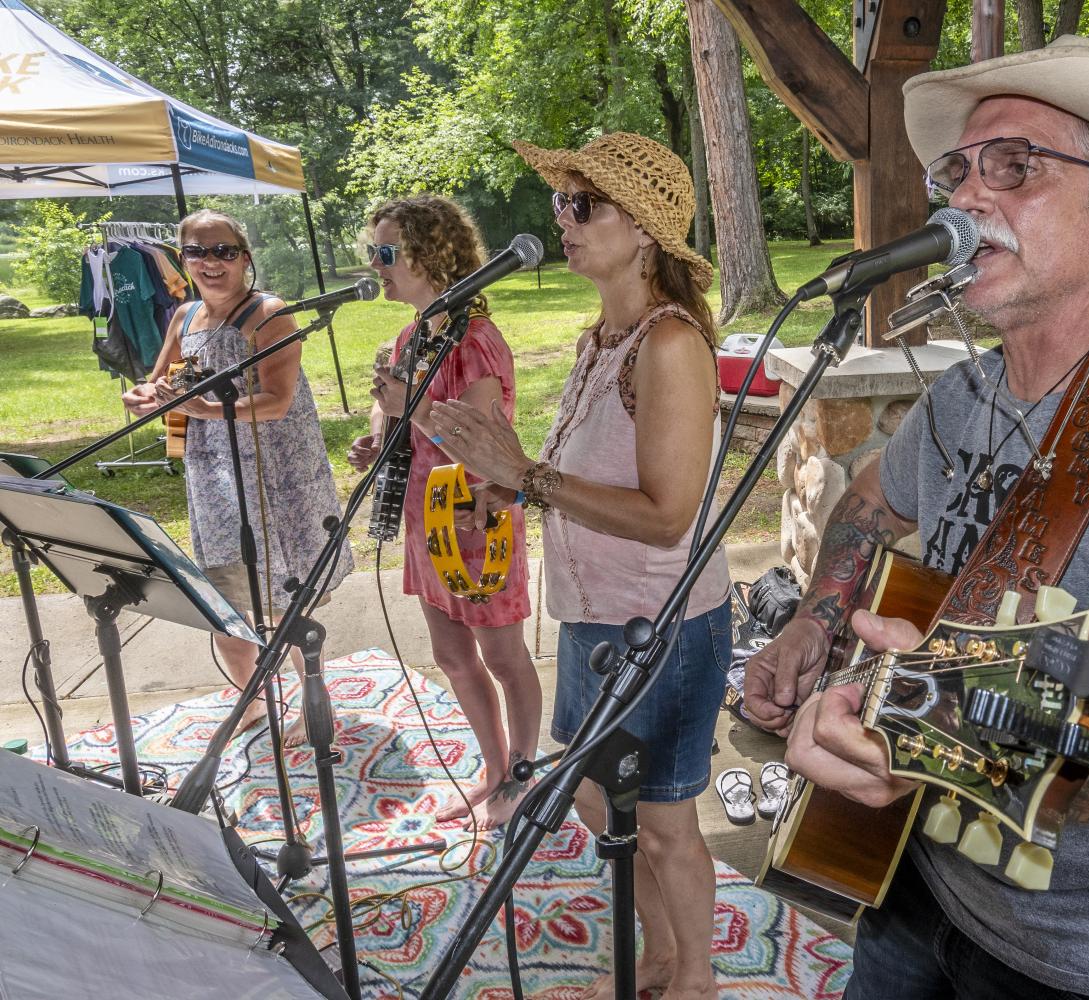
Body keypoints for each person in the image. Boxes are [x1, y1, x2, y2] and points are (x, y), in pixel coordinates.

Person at [745, 35, 1089, 1000]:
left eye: (1015, 165)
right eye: (957, 171)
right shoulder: (964, 396)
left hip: (1087, 959)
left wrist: (921, 736)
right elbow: (870, 502)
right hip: (911, 880)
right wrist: (815, 619)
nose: (964, 196)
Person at [422, 132, 732, 1000]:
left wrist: (527, 475)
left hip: (663, 623)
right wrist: (510, 491)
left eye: (581, 203)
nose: (562, 218)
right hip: (599, 617)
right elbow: (589, 476)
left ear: (643, 231)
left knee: (663, 822)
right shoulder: (608, 336)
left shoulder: (670, 345)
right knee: (602, 804)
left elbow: (670, 517)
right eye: (561, 200)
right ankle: (661, 955)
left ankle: (695, 980)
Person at [122, 209, 354, 741]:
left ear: (245, 258)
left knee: (287, 599)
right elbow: (161, 382)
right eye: (197, 252)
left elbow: (277, 400)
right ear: (182, 261)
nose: (211, 262)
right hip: (214, 475)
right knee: (223, 596)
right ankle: (251, 701)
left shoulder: (267, 314)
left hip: (276, 473)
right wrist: (143, 397)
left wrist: (201, 409)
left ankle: (314, 705)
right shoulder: (183, 317)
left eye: (223, 251)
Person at [346, 194, 539, 829]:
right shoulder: (410, 337)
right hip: (425, 521)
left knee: (506, 661)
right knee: (454, 658)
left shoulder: (477, 341)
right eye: (372, 250)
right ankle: (490, 767)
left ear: (431, 253)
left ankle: (522, 774)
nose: (375, 263)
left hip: (476, 521)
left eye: (386, 251)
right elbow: (403, 421)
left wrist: (409, 408)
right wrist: (378, 439)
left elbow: (481, 444)